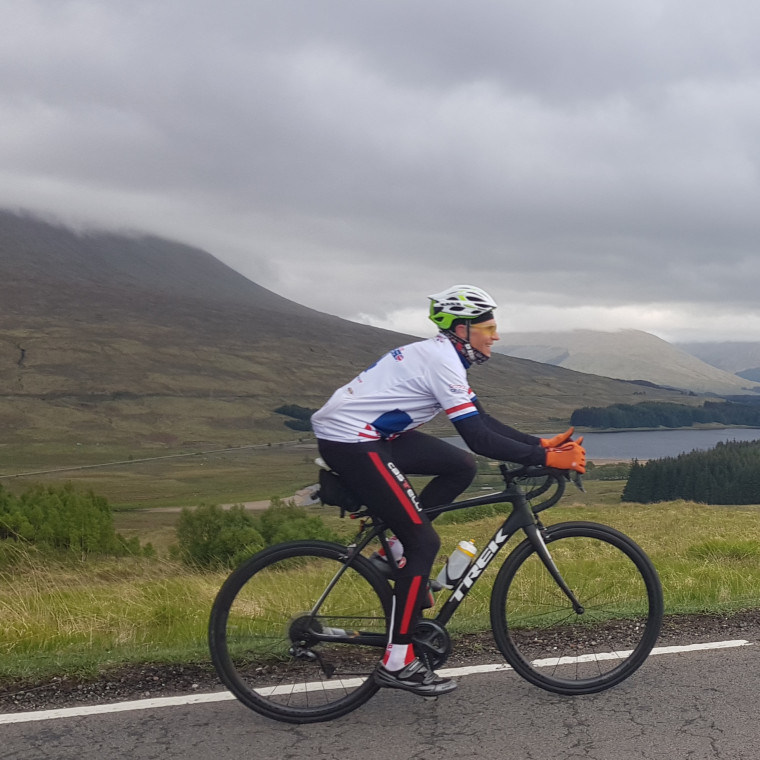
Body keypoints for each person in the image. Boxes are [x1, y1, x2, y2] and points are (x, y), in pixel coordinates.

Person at [310, 285, 586, 697]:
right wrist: (546, 460)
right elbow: (476, 435)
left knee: (459, 466)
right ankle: (398, 661)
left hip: (374, 435)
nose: (495, 336)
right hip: (352, 439)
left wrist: (538, 445)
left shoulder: (445, 357)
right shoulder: (442, 361)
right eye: (489, 327)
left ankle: (393, 554)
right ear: (463, 329)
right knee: (425, 542)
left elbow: (482, 420)